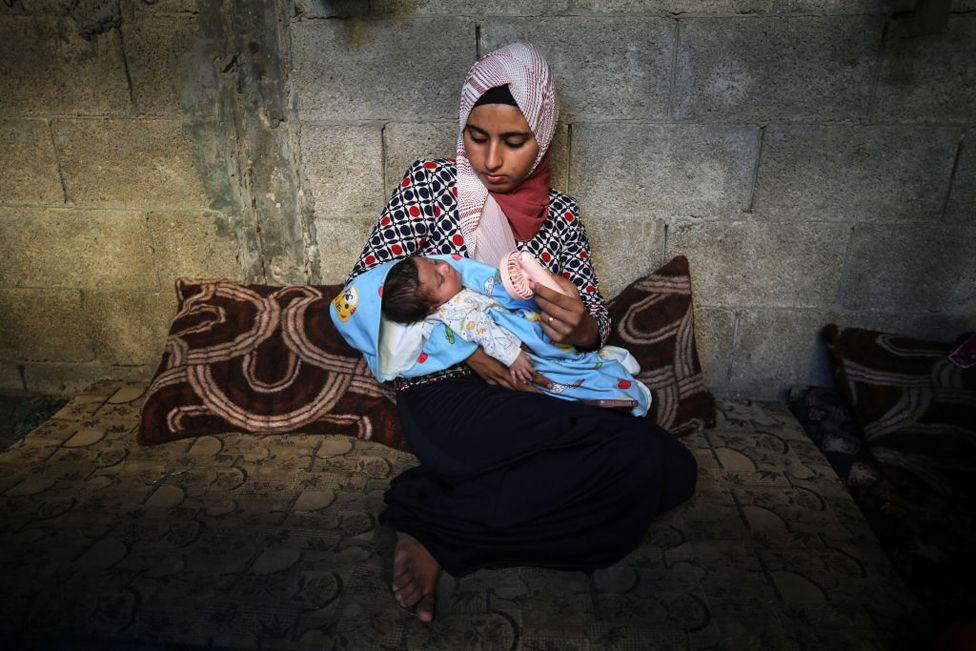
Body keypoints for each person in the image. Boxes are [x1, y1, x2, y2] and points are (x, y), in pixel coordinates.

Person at [344, 42, 698, 623]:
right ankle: (441, 527)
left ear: (544, 136)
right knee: (626, 479)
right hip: (448, 398)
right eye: (476, 136)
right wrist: (468, 349)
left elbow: (590, 325)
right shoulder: (430, 185)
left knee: (671, 470)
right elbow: (370, 292)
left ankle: (435, 520)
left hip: (542, 392)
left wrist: (582, 325)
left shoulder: (560, 216)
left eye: (514, 141)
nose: (490, 159)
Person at [378, 253, 653, 413]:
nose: (445, 266)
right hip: (520, 353)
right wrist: (513, 358)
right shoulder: (457, 311)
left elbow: (591, 307)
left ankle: (598, 363)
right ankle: (611, 384)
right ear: (434, 306)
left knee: (561, 356)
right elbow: (486, 334)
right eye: (439, 278)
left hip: (550, 329)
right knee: (551, 374)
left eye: (434, 261)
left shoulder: (459, 288)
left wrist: (584, 327)